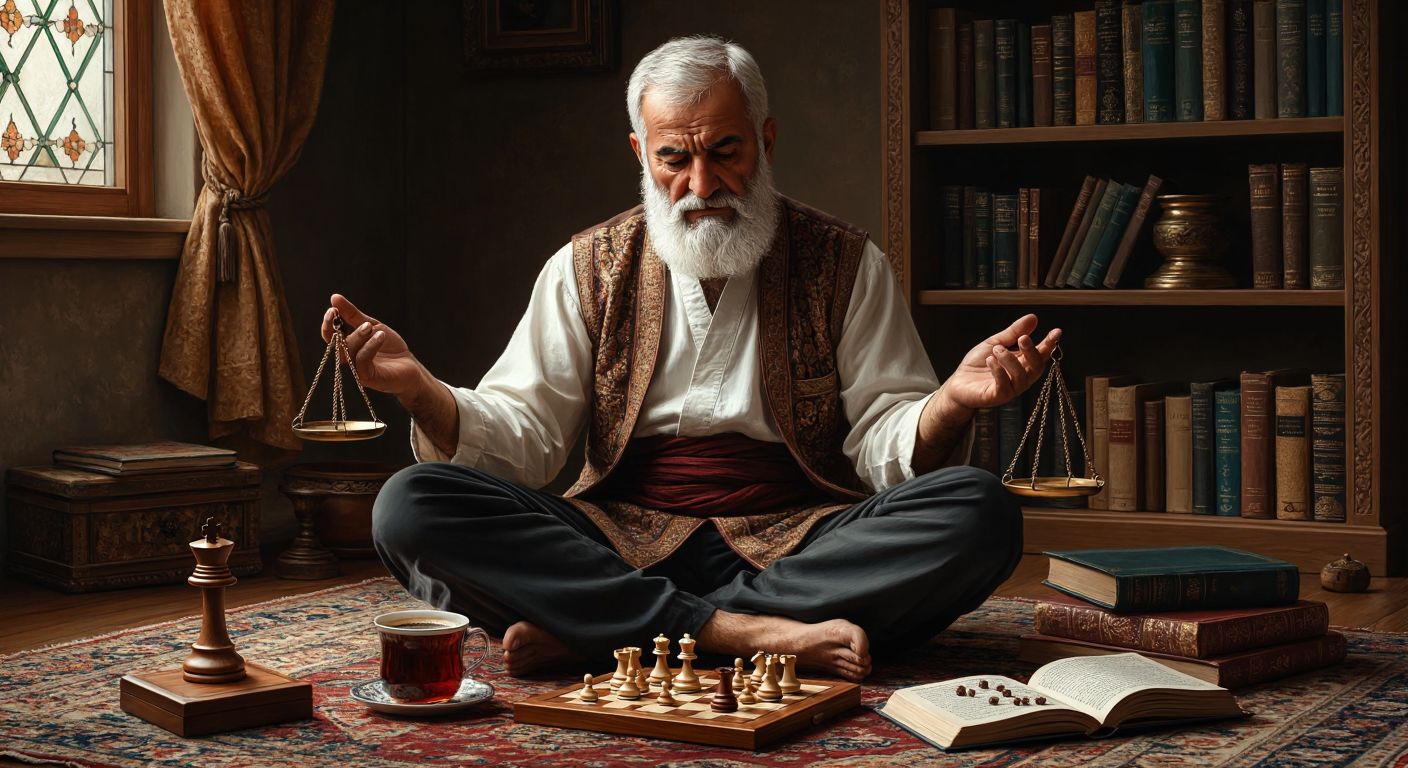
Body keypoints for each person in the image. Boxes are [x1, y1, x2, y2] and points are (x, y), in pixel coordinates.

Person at [327, 36, 1060, 682]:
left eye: (725, 152)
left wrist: (952, 402)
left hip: (798, 540)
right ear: (640, 152)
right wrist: (421, 390)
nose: (702, 186)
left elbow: (881, 441)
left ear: (766, 141)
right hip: (615, 539)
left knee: (979, 510)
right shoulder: (586, 266)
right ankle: (742, 635)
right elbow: (526, 435)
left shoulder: (843, 262)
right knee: (410, 505)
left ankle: (606, 633)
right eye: (674, 157)